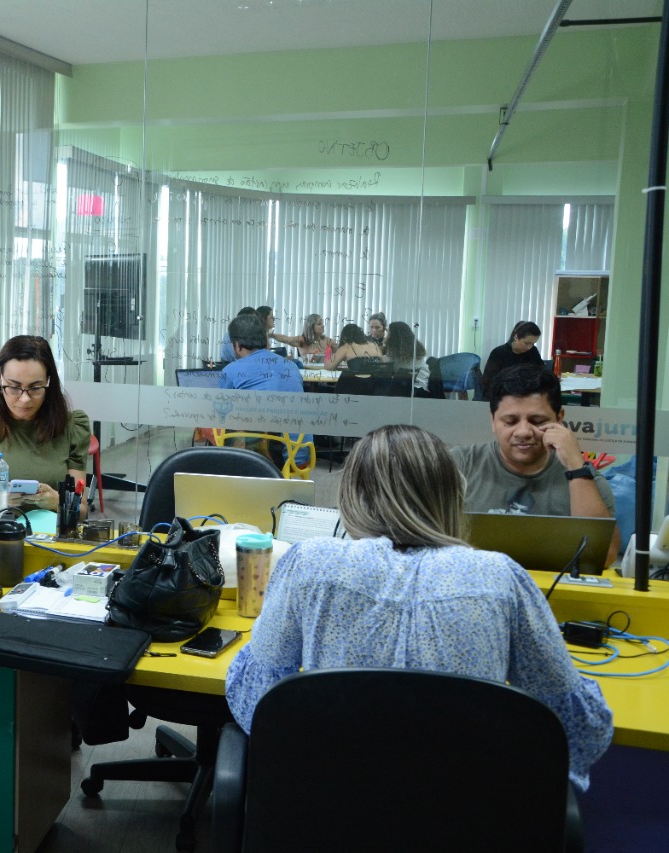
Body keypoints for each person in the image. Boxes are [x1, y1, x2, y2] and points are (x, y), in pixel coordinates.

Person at [224, 424, 612, 789]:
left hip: (329, 817)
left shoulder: (310, 565)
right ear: (452, 496)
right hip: (466, 824)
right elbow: (580, 727)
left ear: (351, 497)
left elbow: (255, 697)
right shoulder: (499, 577)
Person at [451, 364, 618, 564]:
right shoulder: (459, 465)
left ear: (560, 418)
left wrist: (576, 466)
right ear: (492, 420)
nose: (523, 432)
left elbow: (604, 556)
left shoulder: (585, 478)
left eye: (537, 421)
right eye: (510, 421)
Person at [0, 335, 91, 513]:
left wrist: (58, 501)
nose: (24, 399)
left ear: (49, 381)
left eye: (35, 388)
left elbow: (82, 510)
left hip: (48, 538)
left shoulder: (72, 427)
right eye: (14, 387)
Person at [218, 314, 309, 468]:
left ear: (237, 345)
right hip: (302, 455)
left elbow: (219, 416)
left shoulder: (231, 370)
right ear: (265, 340)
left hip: (266, 460)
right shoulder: (292, 366)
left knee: (211, 426)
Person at [483, 320, 544, 395]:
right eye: (526, 343)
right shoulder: (498, 353)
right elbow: (489, 381)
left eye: (533, 344)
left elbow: (541, 371)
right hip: (503, 395)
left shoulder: (533, 351)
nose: (529, 347)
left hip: (527, 394)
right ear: (516, 337)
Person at [380, 320, 430, 394]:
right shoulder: (415, 349)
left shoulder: (396, 354)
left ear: (394, 337)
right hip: (423, 385)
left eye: (388, 334)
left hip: (413, 390)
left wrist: (382, 344)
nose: (386, 336)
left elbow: (381, 362)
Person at [270, 312, 336, 359]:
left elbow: (339, 350)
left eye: (322, 323)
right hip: (307, 373)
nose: (322, 326)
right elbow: (286, 339)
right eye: (319, 324)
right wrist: (272, 335)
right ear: (311, 327)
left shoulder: (327, 340)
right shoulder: (302, 340)